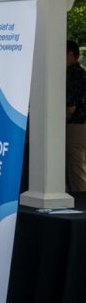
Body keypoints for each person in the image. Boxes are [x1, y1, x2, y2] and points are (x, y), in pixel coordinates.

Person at [66, 40, 86, 191]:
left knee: (76, 166)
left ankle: (81, 202)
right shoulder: (78, 73)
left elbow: (70, 103)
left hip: (77, 124)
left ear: (71, 55)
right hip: (76, 123)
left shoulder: (75, 74)